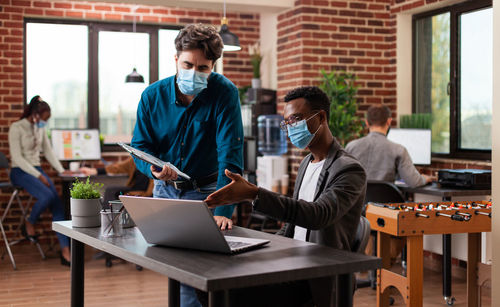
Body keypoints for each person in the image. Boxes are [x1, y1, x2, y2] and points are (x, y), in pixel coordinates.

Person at [203, 86, 367, 307]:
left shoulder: (349, 170)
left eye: (296, 120)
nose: (291, 128)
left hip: (315, 275)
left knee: (224, 293)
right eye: (287, 123)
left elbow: (317, 216)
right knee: (207, 286)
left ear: (321, 117)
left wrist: (254, 193)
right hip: (292, 264)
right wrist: (258, 247)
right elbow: (292, 225)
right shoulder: (306, 164)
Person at [131, 24, 243, 307]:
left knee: (202, 271)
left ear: (213, 66)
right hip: (165, 193)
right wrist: (153, 170)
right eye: (187, 64)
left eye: (203, 68)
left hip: (207, 192)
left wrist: (224, 208)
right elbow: (140, 147)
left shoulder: (224, 93)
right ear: (175, 59)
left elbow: (230, 152)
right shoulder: (152, 96)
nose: (194, 73)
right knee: (177, 270)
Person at [8, 95, 72, 266]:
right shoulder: (16, 128)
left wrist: (62, 171)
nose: (45, 122)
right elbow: (17, 158)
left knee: (58, 205)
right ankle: (29, 223)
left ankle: (65, 251)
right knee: (46, 197)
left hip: (37, 170)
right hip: (19, 171)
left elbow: (48, 152)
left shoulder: (40, 128)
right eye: (44, 119)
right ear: (35, 114)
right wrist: (39, 176)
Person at [345, 105, 431, 188]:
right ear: (389, 121)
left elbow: (343, 178)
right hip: (386, 202)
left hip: (358, 202)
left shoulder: (351, 147)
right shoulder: (399, 150)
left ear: (367, 123)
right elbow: (414, 182)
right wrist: (425, 178)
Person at [79, 156, 154, 205]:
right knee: (111, 190)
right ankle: (108, 216)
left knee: (113, 193)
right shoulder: (136, 158)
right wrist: (96, 171)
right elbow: (118, 167)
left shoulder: (155, 158)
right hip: (134, 187)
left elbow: (151, 193)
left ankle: (110, 218)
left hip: (146, 192)